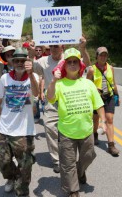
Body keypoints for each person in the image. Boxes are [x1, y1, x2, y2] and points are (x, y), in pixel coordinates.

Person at [47, 48, 106, 197]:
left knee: (89, 156)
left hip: (86, 131)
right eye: (69, 62)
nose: (72, 64)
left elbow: (98, 104)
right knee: (67, 164)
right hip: (67, 132)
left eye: (75, 62)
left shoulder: (88, 84)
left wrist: (103, 122)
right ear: (64, 65)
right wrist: (54, 80)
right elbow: (50, 97)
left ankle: (80, 171)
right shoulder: (59, 84)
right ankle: (73, 190)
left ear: (80, 65)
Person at [0, 48, 39, 197]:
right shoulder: (4, 78)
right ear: (12, 62)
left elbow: (36, 93)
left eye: (23, 60)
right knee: (2, 162)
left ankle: (22, 191)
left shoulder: (32, 76)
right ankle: (13, 177)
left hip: (24, 132)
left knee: (25, 166)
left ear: (27, 62)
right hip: (5, 128)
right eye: (17, 61)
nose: (20, 63)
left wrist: (30, 75)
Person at [32, 36, 91, 173]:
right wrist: (30, 53)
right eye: (51, 46)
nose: (53, 48)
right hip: (52, 100)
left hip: (71, 99)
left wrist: (83, 48)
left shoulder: (70, 57)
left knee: (74, 130)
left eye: (56, 46)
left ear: (62, 47)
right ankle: (57, 160)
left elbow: (87, 64)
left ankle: (75, 159)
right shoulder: (43, 61)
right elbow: (31, 69)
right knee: (50, 127)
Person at [86, 46, 120, 155]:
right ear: (97, 56)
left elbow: (113, 83)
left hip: (109, 96)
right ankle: (95, 134)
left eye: (105, 55)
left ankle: (111, 145)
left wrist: (117, 96)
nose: (103, 57)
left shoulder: (111, 68)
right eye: (101, 54)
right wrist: (95, 88)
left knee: (109, 119)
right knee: (96, 119)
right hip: (97, 98)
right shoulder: (92, 69)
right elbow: (87, 84)